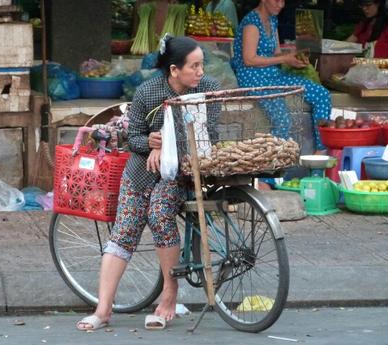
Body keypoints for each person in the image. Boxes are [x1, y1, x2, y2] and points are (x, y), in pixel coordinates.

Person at [75, 35, 220, 331]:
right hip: (140, 172)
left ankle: (169, 294)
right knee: (124, 230)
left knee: (159, 213)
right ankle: (103, 310)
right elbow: (133, 137)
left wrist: (165, 144)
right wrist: (149, 141)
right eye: (194, 66)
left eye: (201, 65)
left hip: (179, 173)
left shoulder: (209, 90)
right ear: (174, 70)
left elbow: (211, 136)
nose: (200, 72)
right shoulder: (149, 92)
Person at [231, 0, 331, 154]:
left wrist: (292, 59)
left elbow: (276, 53)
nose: (281, 4)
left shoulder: (272, 20)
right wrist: (284, 59)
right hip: (253, 78)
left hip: (275, 75)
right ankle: (271, 176)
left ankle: (320, 153)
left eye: (283, 1)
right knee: (283, 120)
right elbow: (249, 59)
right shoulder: (251, 23)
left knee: (322, 94)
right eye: (276, 0)